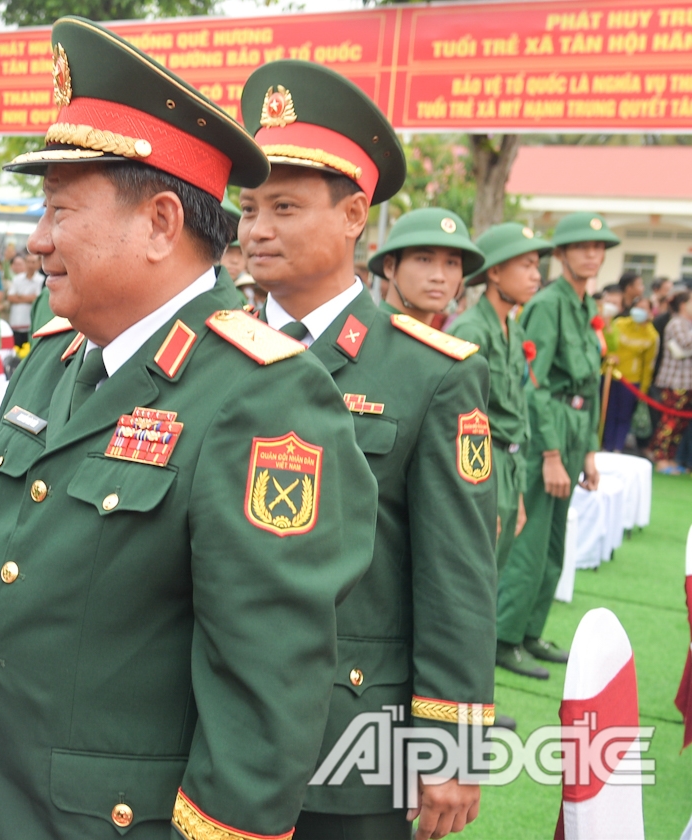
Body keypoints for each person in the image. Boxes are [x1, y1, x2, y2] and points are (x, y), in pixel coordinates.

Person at [0, 18, 378, 840]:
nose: (39, 244)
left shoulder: (264, 399)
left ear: (162, 223)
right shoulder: (58, 358)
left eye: (61, 211)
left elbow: (265, 701)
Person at [238, 60, 497, 839]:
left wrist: (450, 743)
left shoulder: (429, 374)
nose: (256, 229)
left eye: (284, 206)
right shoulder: (222, 352)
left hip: (347, 732)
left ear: (354, 215)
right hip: (214, 721)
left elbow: (456, 575)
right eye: (249, 207)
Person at [497, 212, 615, 680]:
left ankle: (529, 632)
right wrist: (549, 455)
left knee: (554, 544)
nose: (592, 254)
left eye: (599, 247)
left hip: (574, 425)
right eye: (582, 246)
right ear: (562, 254)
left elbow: (588, 381)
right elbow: (535, 385)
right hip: (546, 431)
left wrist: (586, 452)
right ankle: (504, 637)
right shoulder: (548, 304)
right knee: (528, 544)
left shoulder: (586, 306)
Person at [449, 223, 550, 653]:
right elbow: (462, 421)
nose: (536, 275)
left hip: (508, 465)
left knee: (490, 578)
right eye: (526, 265)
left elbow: (518, 408)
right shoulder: (473, 330)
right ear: (494, 273)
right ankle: (459, 700)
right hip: (481, 463)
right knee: (468, 586)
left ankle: (477, 695)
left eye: (537, 266)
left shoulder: (513, 328)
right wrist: (479, 493)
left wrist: (517, 495)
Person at [370, 208, 484, 328]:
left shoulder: (439, 342)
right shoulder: (366, 338)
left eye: (451, 263)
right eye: (424, 259)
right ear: (390, 266)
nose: (439, 277)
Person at [603, 296, 658, 451]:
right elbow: (608, 343)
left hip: (632, 381)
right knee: (608, 413)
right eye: (637, 306)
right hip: (611, 375)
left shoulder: (652, 336)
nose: (639, 311)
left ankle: (617, 448)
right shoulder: (620, 324)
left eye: (644, 308)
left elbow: (648, 365)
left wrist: (643, 389)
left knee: (623, 416)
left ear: (650, 312)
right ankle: (605, 446)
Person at [650, 290, 692, 473]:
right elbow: (685, 344)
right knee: (669, 420)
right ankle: (660, 458)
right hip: (675, 382)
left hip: (686, 382)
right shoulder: (676, 323)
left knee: (680, 423)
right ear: (683, 305)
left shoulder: (687, 323)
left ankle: (671, 459)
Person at [5, 253, 42, 345]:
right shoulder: (17, 279)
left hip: (31, 325)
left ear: (39, 263)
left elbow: (37, 299)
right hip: (15, 324)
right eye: (28, 262)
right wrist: (30, 297)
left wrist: (19, 296)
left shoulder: (41, 280)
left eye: (33, 262)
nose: (30, 265)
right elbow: (10, 297)